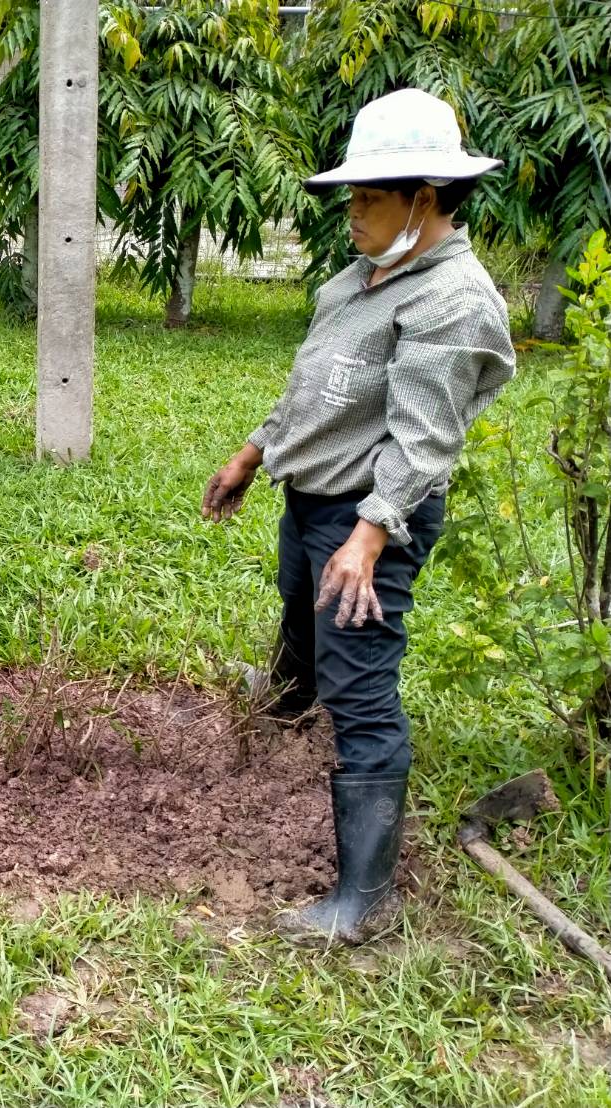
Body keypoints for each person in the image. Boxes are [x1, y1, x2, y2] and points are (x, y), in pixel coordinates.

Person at [202, 88, 516, 946]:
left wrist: (367, 539)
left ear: (425, 199)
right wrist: (253, 452)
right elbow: (315, 388)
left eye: (369, 197)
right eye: (351, 196)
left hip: (370, 513)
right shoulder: (357, 279)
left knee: (363, 690)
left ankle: (363, 899)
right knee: (298, 609)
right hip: (313, 497)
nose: (351, 213)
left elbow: (424, 439)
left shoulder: (450, 301)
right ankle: (284, 710)